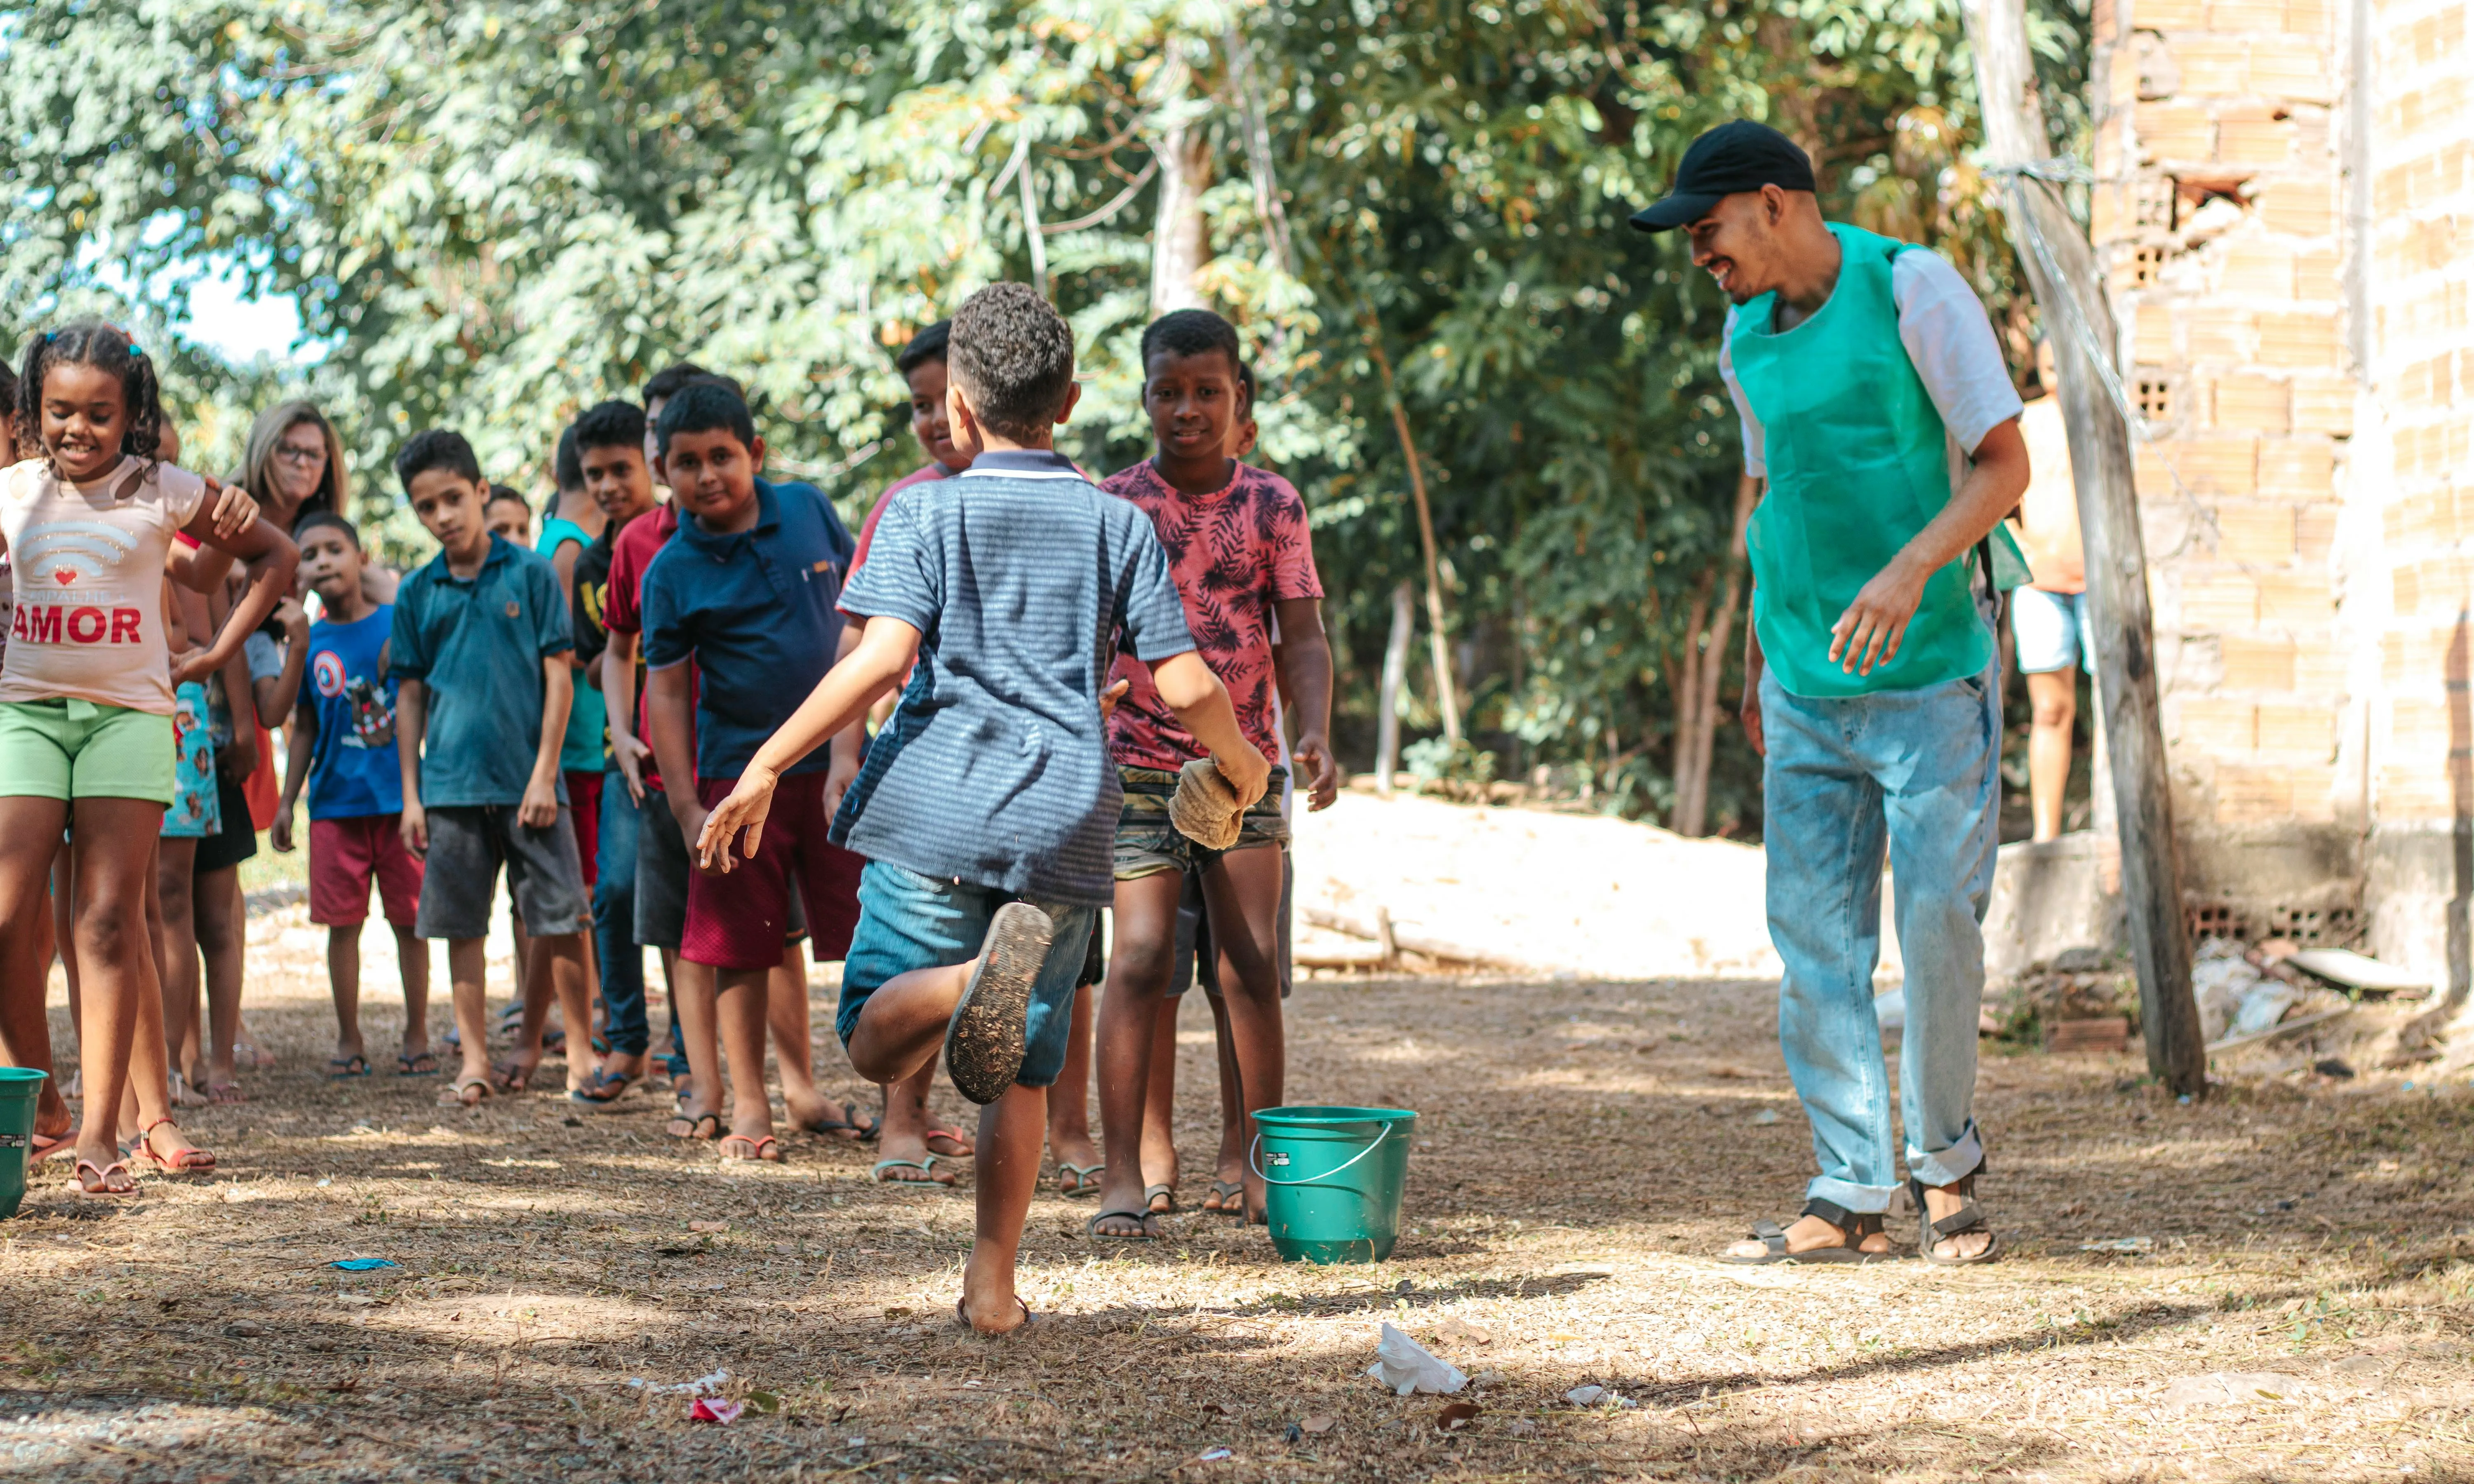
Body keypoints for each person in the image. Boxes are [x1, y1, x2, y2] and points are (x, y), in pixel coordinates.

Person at [696, 281, 1269, 1331]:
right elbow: (1186, 682)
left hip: (935, 812)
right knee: (1023, 1070)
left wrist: (766, 764)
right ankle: (993, 1286)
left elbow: (882, 658)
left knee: (873, 1037)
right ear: (1072, 402)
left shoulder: (923, 509)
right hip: (1064, 819)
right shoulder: (1117, 523)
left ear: (958, 405)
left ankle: (966, 979)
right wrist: (1243, 765)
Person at [1632, 121, 2030, 1264]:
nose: (1700, 255)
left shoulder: (1913, 288)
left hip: (1930, 665)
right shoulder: (1742, 333)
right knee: (1814, 939)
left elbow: (2006, 465)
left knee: (1937, 921)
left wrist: (1910, 571)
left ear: (1775, 202)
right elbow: (1778, 496)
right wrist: (1760, 661)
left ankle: (1946, 1167)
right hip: (1805, 673)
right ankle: (1851, 1191)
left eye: (1708, 229)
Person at [0, 321, 296, 1193]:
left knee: (105, 919)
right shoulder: (13, 489)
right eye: (60, 411)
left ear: (132, 414)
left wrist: (213, 654)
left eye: (99, 413)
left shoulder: (164, 488)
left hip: (129, 720)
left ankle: (101, 1132)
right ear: (34, 409)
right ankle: (44, 1106)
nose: (77, 428)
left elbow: (263, 559)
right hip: (26, 716)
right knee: (9, 914)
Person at [1089, 310, 1337, 1238]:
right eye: (1169, 392)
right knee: (1140, 960)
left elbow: (1302, 636)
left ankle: (1258, 1164)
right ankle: (1127, 1173)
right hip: (1136, 766)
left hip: (1243, 769)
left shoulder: (1274, 504)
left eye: (1207, 392)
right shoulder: (1115, 505)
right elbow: (1090, 634)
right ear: (1145, 397)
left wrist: (1314, 731)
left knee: (1251, 966)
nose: (1187, 409)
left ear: (1241, 400)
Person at [602, 365, 873, 1144]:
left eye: (722, 455)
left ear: (754, 452)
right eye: (687, 462)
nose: (707, 475)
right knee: (743, 944)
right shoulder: (669, 572)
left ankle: (895, 1108)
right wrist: (688, 804)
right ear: (663, 471)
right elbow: (666, 693)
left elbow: (860, 624)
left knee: (874, 934)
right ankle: (751, 1105)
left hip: (837, 767)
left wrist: (850, 748)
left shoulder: (809, 509)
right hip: (734, 778)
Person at [387, 429, 594, 1107]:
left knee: (561, 917)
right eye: (426, 507)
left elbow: (559, 677)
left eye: (453, 498)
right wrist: (412, 795)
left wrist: (545, 774)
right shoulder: (418, 591)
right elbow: (409, 695)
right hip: (450, 788)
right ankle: (474, 1058)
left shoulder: (530, 574)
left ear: (480, 491)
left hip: (530, 783)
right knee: (461, 925)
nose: (443, 516)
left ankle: (582, 1055)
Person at [272, 512, 433, 1078]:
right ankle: (349, 1037)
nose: (323, 561)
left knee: (411, 922)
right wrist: (287, 801)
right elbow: (305, 727)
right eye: (310, 555)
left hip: (399, 805)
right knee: (343, 926)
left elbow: (419, 702)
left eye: (335, 549)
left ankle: (418, 1033)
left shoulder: (396, 624)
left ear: (362, 558)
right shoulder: (309, 642)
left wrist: (418, 797)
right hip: (335, 808)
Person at [564, 400, 666, 1108]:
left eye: (620, 470)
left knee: (684, 905)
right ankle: (627, 1037)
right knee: (616, 892)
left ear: (650, 462)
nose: (606, 486)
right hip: (621, 749)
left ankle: (688, 1050)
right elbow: (594, 661)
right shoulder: (593, 565)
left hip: (694, 750)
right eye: (593, 474)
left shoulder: (681, 540)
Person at [536, 430, 607, 1046]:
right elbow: (564, 653)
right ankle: (588, 1017)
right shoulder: (568, 546)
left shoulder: (561, 539)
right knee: (579, 893)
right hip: (580, 747)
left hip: (590, 745)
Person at [2004, 338, 2086, 843]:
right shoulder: (2026, 422)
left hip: (2101, 588)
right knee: (2051, 710)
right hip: (2042, 588)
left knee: (2117, 712)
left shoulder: (2105, 420)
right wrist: (2023, 551)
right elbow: (1993, 491)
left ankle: (2115, 828)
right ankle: (2046, 839)